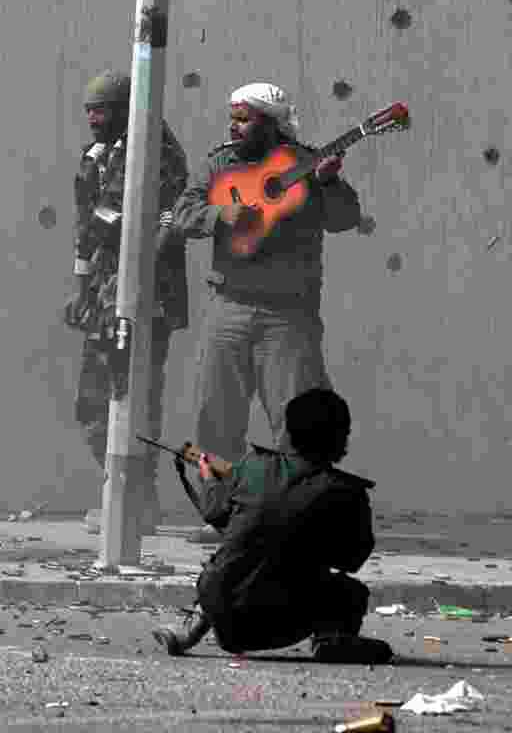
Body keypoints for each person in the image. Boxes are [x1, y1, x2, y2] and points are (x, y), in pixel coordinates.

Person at [171, 82, 365, 543]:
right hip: (228, 308)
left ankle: (290, 521)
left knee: (298, 424)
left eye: (245, 119)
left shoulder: (308, 162)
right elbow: (182, 212)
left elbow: (345, 218)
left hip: (288, 317)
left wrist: (330, 183)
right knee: (215, 420)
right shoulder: (220, 163)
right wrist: (223, 217)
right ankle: (222, 517)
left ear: (272, 123)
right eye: (232, 117)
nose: (234, 126)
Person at [151, 388, 393, 664]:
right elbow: (352, 559)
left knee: (231, 563)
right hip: (279, 622)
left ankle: (189, 631)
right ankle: (331, 640)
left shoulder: (253, 465)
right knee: (351, 592)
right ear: (341, 438)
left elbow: (215, 513)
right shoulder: (348, 493)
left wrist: (208, 478)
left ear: (287, 432)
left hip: (224, 616)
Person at [63, 69, 190, 534]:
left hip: (144, 299)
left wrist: (134, 277)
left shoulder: (158, 152)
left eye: (103, 110)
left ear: (127, 110)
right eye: (89, 111)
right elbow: (87, 226)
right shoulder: (96, 156)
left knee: (137, 397)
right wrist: (80, 287)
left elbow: (158, 218)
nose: (93, 119)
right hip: (102, 294)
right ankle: (119, 490)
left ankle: (138, 500)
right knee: (92, 403)